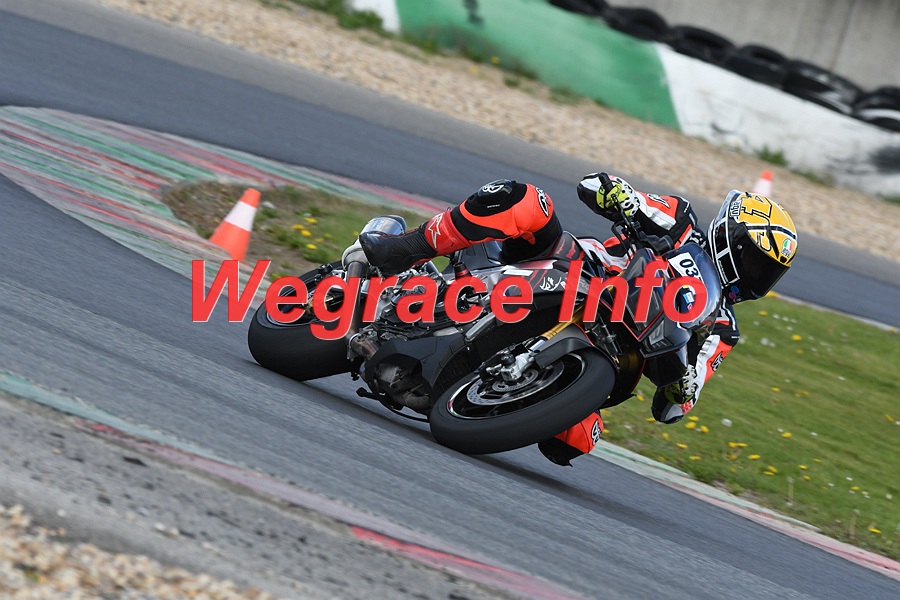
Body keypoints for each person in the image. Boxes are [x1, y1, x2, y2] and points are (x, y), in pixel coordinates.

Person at [359, 174, 798, 466]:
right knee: (527, 200)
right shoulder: (679, 221)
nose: (758, 277)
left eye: (770, 273)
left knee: (577, 438)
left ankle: (487, 388)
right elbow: (602, 189)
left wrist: (683, 389)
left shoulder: (722, 327)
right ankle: (404, 250)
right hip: (575, 269)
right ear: (731, 237)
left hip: (618, 348)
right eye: (756, 262)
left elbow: (677, 403)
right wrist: (618, 195)